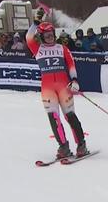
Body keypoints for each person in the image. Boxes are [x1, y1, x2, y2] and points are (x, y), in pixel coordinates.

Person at [26, 8, 89, 159]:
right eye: (46, 36)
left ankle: (81, 144)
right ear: (41, 37)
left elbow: (71, 65)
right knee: (53, 117)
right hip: (47, 89)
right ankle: (63, 147)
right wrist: (36, 22)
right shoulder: (37, 49)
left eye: (51, 35)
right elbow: (28, 37)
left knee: (70, 116)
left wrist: (74, 80)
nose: (50, 38)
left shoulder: (62, 48)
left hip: (64, 87)